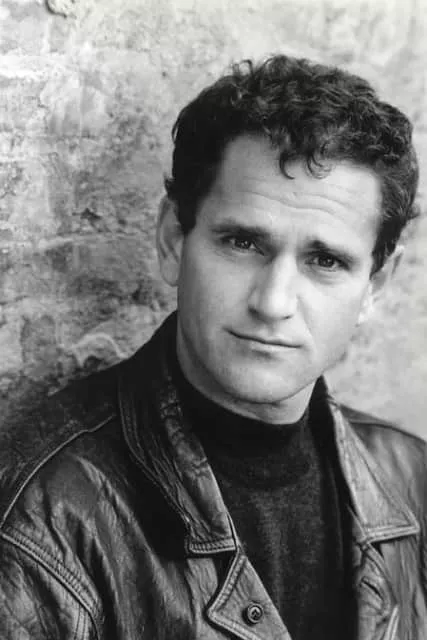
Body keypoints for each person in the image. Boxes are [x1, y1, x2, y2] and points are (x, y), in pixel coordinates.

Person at [0, 54, 425, 640]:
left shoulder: (411, 478)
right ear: (173, 240)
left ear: (374, 284)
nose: (273, 302)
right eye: (243, 242)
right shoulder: (46, 518)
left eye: (325, 260)